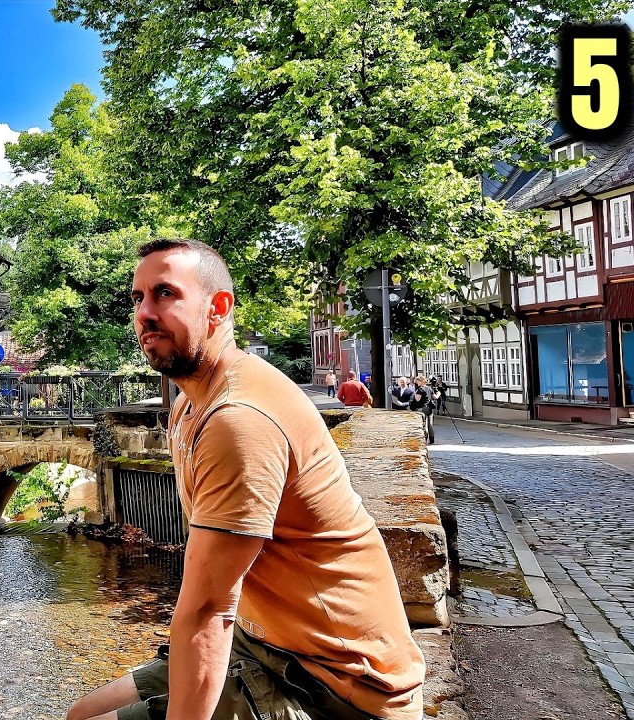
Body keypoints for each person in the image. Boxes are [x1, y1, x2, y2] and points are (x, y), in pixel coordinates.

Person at [67, 238, 424, 720]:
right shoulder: (188, 408)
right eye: (138, 298)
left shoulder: (238, 420)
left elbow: (209, 610)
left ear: (218, 308)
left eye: (166, 294)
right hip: (266, 644)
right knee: (80, 714)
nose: (145, 313)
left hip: (339, 685)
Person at [410, 374, 436, 444]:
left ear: (421, 381)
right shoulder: (429, 388)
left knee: (423, 423)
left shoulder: (420, 389)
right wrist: (439, 393)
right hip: (429, 408)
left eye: (417, 381)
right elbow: (435, 397)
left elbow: (417, 399)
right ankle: (432, 439)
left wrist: (415, 394)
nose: (417, 382)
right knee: (430, 424)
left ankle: (425, 438)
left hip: (422, 408)